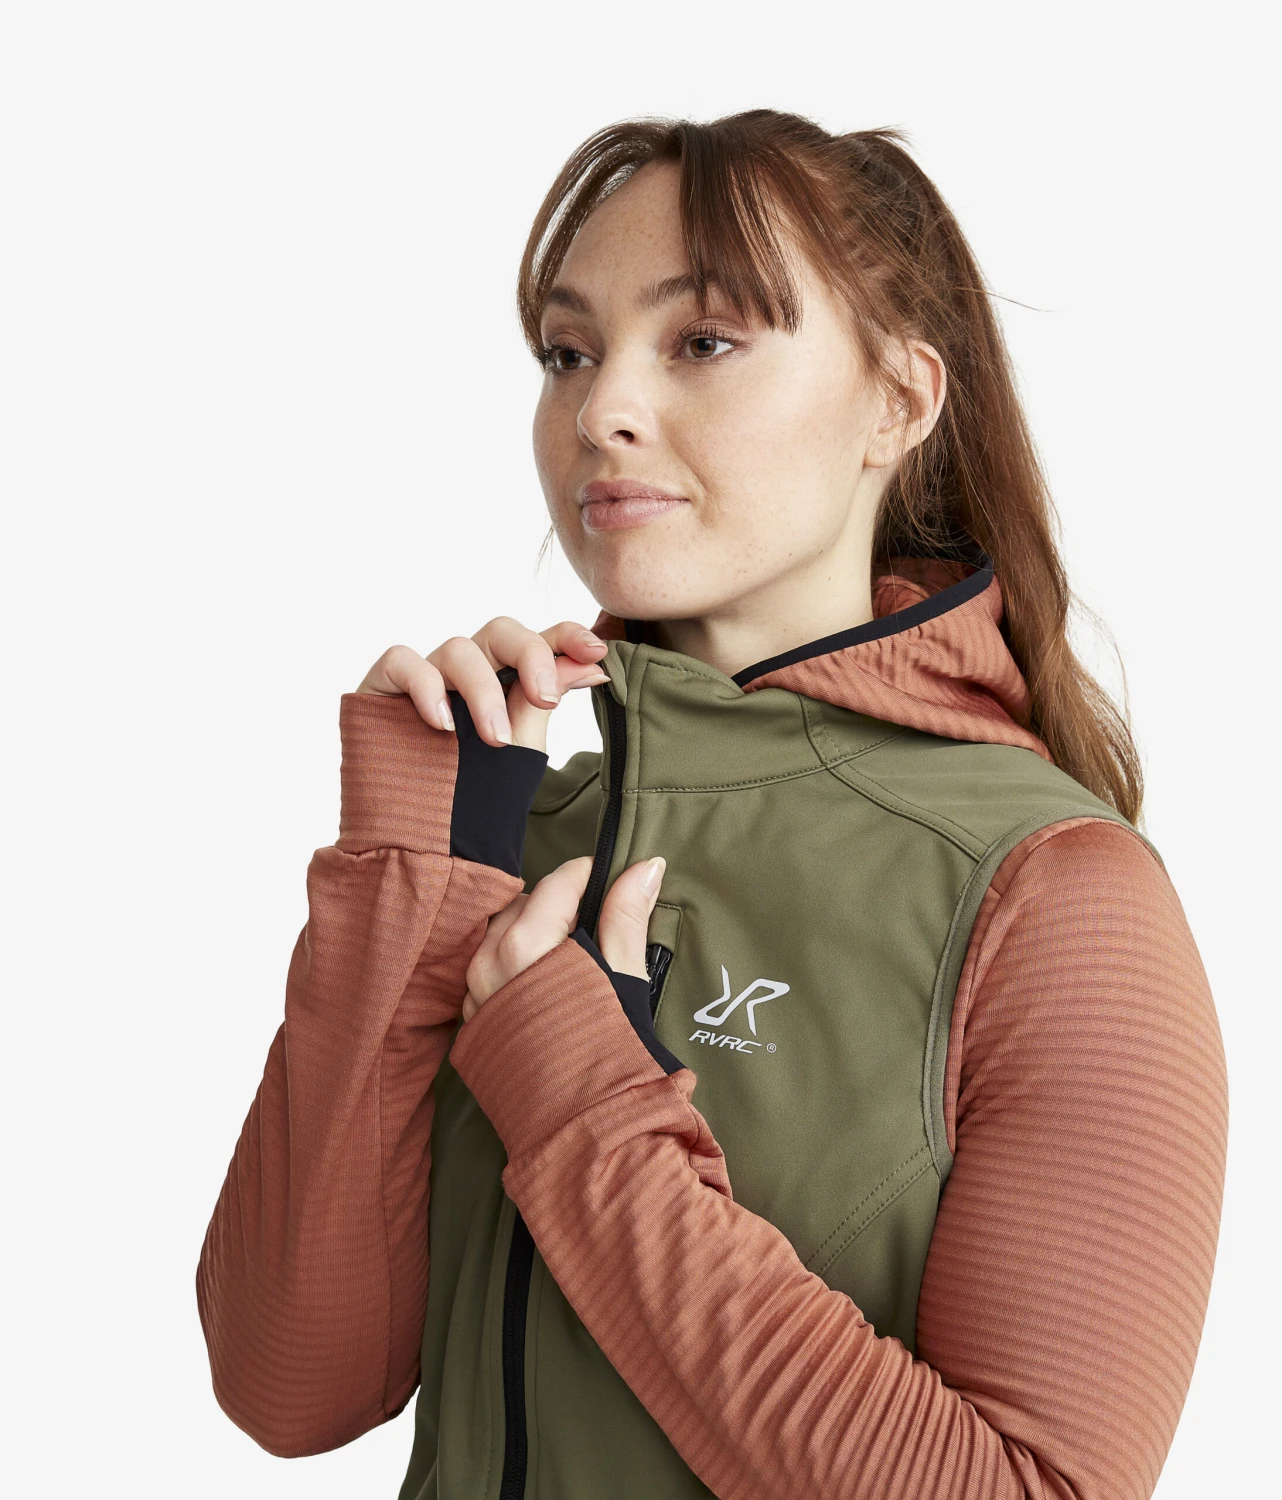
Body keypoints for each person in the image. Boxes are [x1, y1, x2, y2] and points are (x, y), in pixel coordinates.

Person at [196, 109, 1229, 1500]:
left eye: (702, 340)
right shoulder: (510, 850)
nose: (600, 410)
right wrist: (406, 874)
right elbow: (291, 1386)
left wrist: (586, 1108)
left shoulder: (1049, 892)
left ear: (898, 400)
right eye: (568, 352)